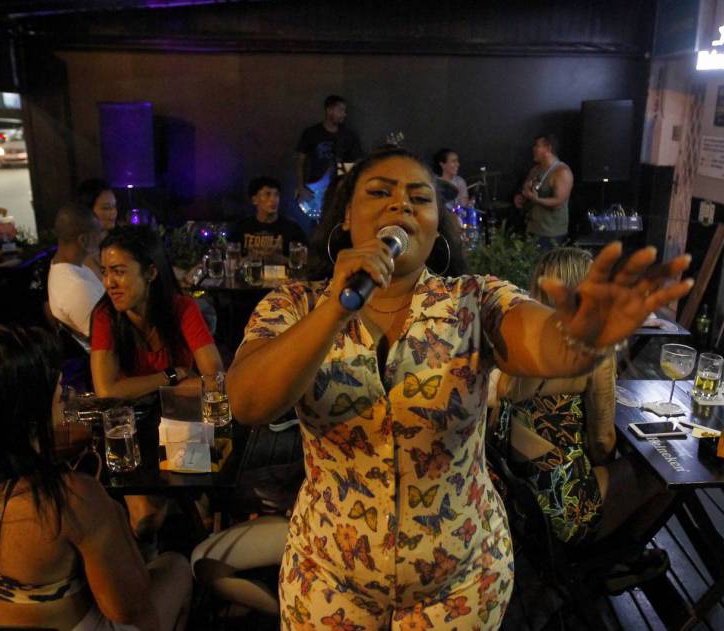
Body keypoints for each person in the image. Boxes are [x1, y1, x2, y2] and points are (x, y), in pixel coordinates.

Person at [227, 146, 692, 629]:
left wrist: (578, 335)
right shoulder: (294, 306)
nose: (401, 205)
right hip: (329, 581)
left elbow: (539, 338)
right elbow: (248, 402)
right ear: (346, 215)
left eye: (419, 198)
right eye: (380, 193)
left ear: (436, 225)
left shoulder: (474, 300)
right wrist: (336, 307)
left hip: (460, 586)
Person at [0, 326, 192, 630]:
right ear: (22, 411)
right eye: (58, 392)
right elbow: (129, 609)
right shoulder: (68, 500)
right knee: (176, 567)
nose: (66, 395)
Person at [490, 247, 673, 590]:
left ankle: (614, 558)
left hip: (519, 505)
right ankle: (614, 561)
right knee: (664, 472)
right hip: (565, 511)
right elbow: (602, 441)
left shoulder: (516, 339)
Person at [90, 224, 223, 545]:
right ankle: (144, 565)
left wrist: (157, 387)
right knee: (147, 517)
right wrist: (171, 376)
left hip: (180, 417)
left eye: (119, 271)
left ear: (150, 272)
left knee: (202, 502)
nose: (109, 283)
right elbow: (106, 390)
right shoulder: (106, 316)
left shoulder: (181, 308)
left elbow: (214, 375)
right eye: (105, 272)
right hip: (129, 426)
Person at [48, 202, 105, 347]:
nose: (101, 239)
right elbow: (107, 339)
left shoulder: (68, 268)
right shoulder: (77, 288)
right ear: (83, 240)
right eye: (98, 233)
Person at [295, 95, 363, 214]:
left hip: (338, 192)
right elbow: (300, 161)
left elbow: (356, 163)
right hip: (313, 191)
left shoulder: (348, 136)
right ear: (329, 110)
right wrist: (301, 187)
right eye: (340, 110)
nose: (344, 114)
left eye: (345, 111)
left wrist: (341, 170)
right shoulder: (311, 133)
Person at [514, 134, 573, 251]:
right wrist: (521, 197)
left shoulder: (562, 172)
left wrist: (536, 199)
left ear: (548, 148)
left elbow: (558, 203)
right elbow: (526, 190)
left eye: (537, 146)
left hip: (551, 234)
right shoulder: (535, 170)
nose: (533, 149)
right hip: (533, 230)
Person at [228, 176, 307, 262]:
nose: (273, 199)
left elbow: (305, 261)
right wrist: (250, 259)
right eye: (267, 194)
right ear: (254, 200)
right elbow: (230, 261)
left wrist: (281, 260)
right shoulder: (241, 228)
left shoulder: (292, 228)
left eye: (276, 195)